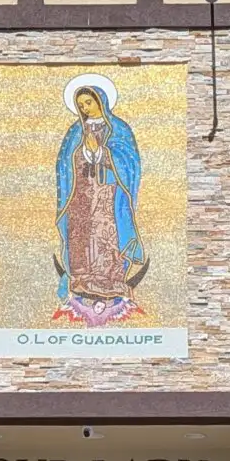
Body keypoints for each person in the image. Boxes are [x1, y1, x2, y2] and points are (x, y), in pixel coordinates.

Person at [53, 76, 148, 324]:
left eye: (88, 102)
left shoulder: (119, 129)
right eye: (81, 104)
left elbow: (129, 161)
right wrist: (84, 151)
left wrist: (103, 151)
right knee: (82, 236)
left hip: (108, 195)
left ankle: (111, 281)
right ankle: (81, 280)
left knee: (106, 234)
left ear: (101, 100)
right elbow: (64, 163)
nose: (85, 108)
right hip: (81, 195)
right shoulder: (75, 131)